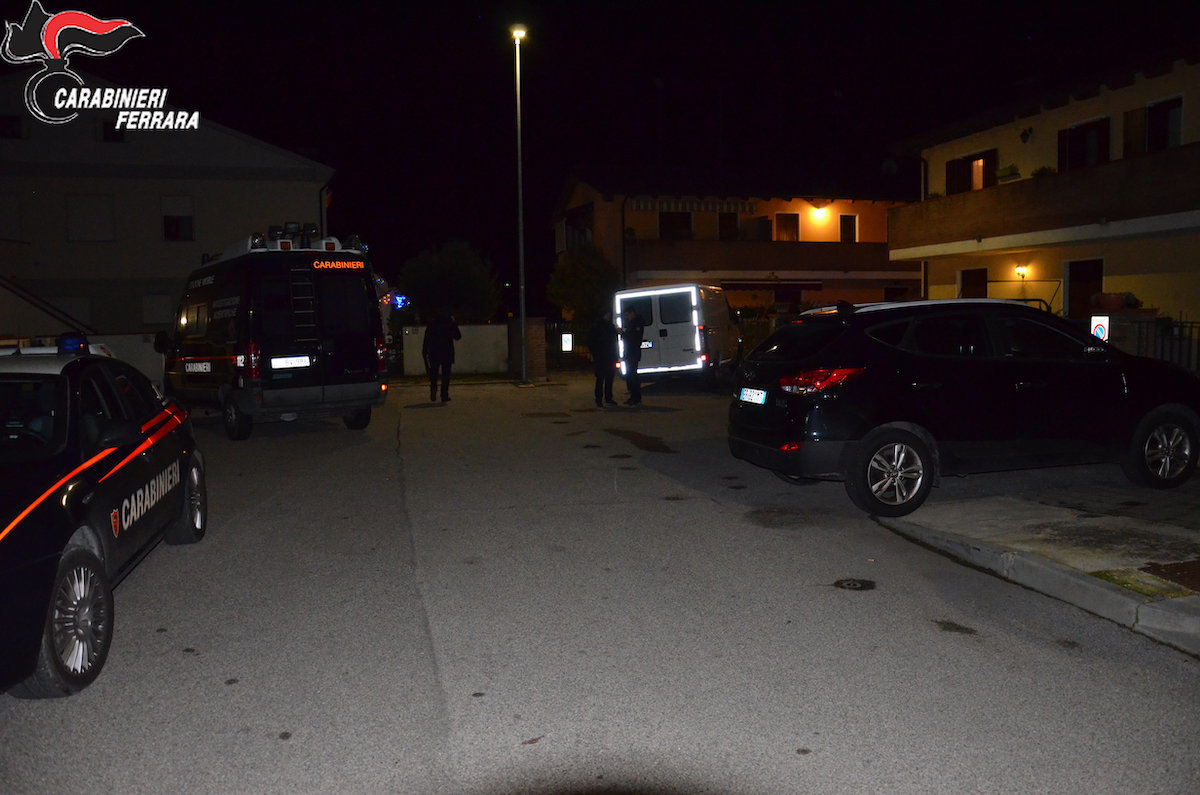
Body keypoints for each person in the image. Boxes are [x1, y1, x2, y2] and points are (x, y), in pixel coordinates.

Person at [422, 312, 461, 403]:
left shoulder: (432, 325)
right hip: (447, 352)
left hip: (434, 352)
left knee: (433, 374)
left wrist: (425, 352)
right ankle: (444, 394)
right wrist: (454, 323)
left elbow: (426, 340)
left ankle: (434, 389)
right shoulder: (449, 324)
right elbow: (458, 336)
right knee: (446, 375)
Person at [587, 310, 619, 408]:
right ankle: (600, 399)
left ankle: (606, 398)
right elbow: (591, 342)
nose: (608, 316)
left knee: (607, 378)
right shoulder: (598, 327)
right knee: (602, 378)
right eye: (607, 315)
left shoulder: (607, 326)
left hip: (607, 356)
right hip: (602, 356)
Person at [619, 309, 645, 406]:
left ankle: (635, 397)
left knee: (632, 376)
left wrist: (622, 333)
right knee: (631, 376)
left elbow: (633, 339)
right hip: (630, 353)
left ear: (632, 313)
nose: (626, 317)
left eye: (627, 315)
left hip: (632, 353)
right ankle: (634, 397)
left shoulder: (636, 324)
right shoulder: (633, 324)